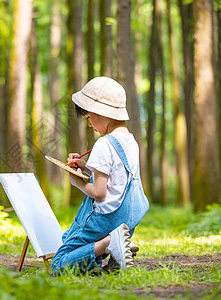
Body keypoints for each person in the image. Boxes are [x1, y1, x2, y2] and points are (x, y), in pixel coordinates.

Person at [51, 77, 149, 274]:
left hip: (105, 220)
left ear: (100, 112)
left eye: (88, 117)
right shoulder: (131, 141)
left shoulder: (104, 144)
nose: (89, 124)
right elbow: (117, 178)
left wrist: (76, 181)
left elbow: (99, 192)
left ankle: (108, 244)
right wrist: (86, 167)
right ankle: (116, 252)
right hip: (126, 220)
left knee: (58, 263)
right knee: (69, 239)